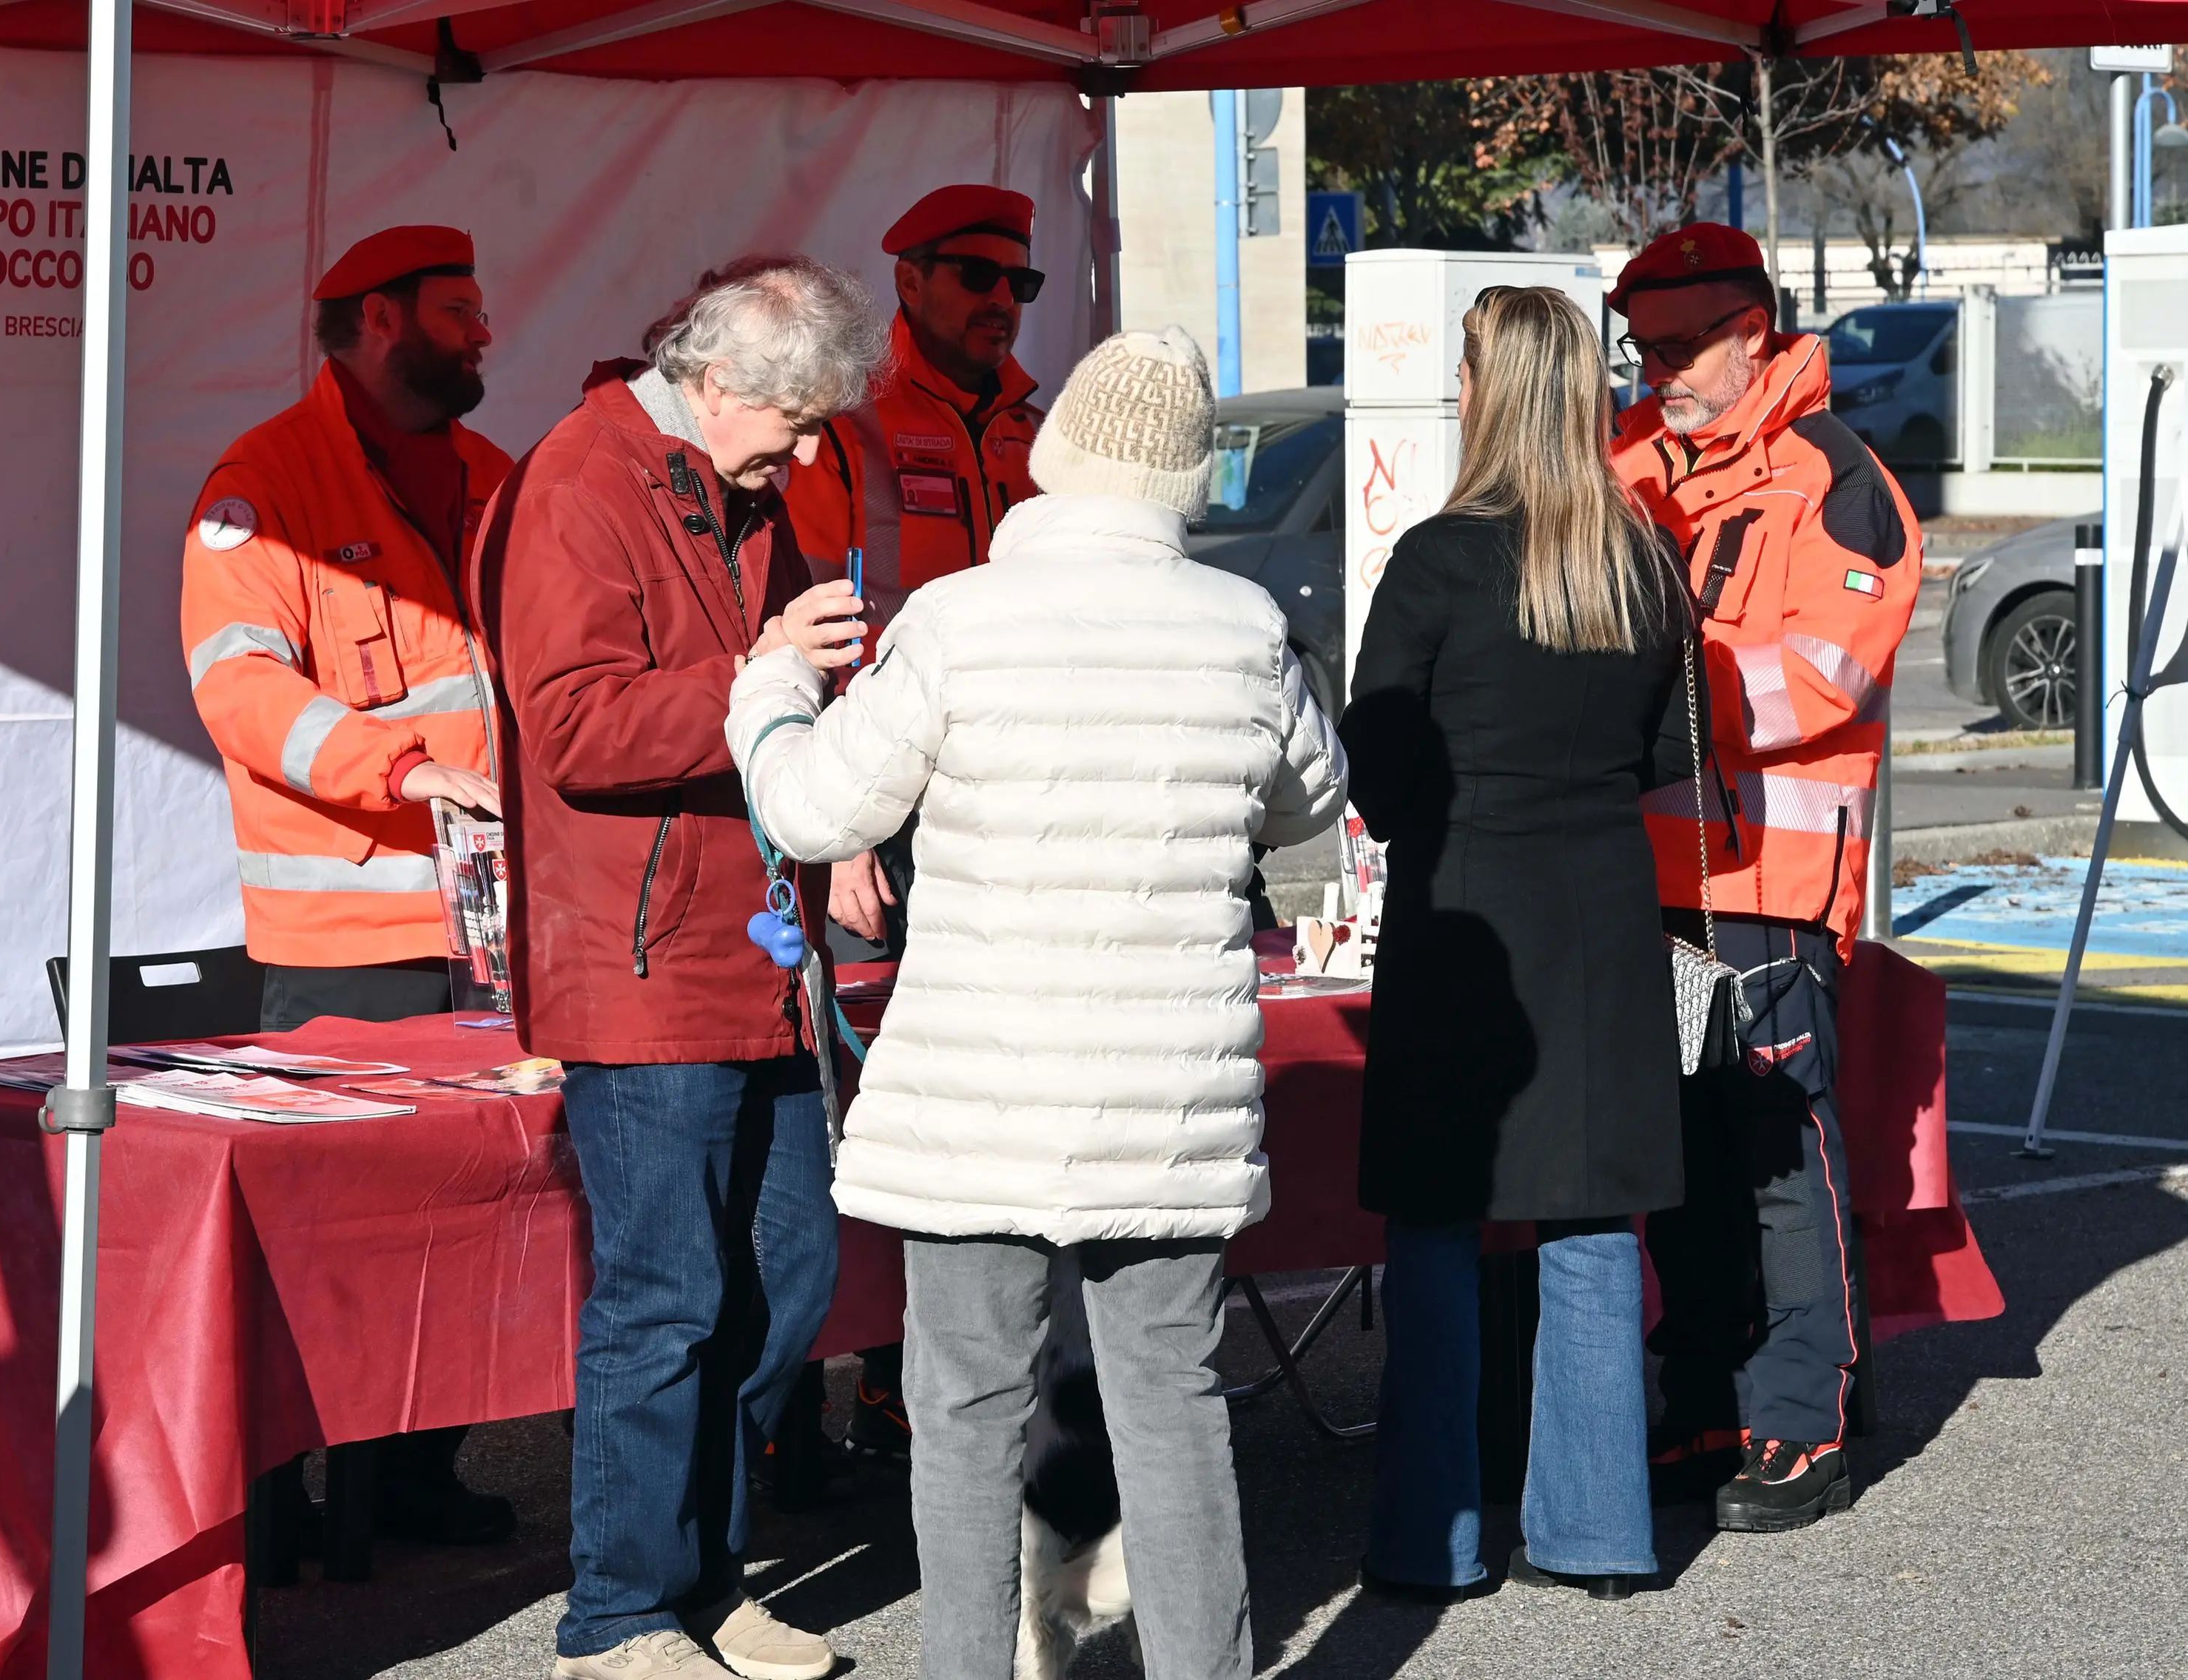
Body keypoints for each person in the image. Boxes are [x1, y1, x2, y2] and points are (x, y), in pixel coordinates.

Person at [728, 325, 1345, 1680]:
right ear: (1180, 483)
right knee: (1171, 1405)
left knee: (963, 1409)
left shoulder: (957, 618)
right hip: (1167, 1093)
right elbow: (1309, 802)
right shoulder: (1247, 628)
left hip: (979, 1092)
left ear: (1055, 466)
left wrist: (770, 687)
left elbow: (815, 804)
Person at [478, 256, 885, 1680]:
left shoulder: (738, 483)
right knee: (667, 1296)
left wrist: (825, 806)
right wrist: (759, 678)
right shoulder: (580, 481)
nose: (811, 450)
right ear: (718, 384)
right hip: (642, 959)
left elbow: (760, 712)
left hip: (756, 949)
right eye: (796, 420)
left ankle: (700, 1583)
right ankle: (619, 1613)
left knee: (786, 1270)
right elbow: (576, 729)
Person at [1344, 286, 1696, 1602]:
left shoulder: (1440, 556)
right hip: (1601, 905)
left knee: (1437, 1228)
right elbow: (1674, 752)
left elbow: (1373, 756)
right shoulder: (1638, 554)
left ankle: (1431, 1539)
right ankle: (1599, 1531)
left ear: (1488, 391)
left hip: (1462, 913)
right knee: (1593, 1223)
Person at [178, 223, 517, 1547]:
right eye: (458, 310)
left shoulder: (491, 473)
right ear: (381, 321)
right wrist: (404, 770)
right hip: (345, 941)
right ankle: (289, 1501)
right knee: (331, 1245)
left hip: (488, 926)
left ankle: (413, 1477)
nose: (485, 332)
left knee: (466, 1228)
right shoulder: (260, 485)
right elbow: (240, 689)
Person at [1609, 223, 1920, 1533]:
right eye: (1644, 348)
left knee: (1779, 1150)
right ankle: (1703, 1395)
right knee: (1674, 1152)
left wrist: (1634, 691)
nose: (1659, 370)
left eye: (1681, 347)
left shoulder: (1835, 478)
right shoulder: (1628, 462)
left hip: (1774, 882)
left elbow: (1822, 678)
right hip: (1645, 875)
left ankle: (1802, 1417)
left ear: (1755, 333)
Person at [778, 181, 1049, 1461]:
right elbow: (812, 633)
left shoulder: (1040, 435)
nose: (1003, 304)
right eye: (978, 279)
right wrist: (833, 835)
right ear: (911, 281)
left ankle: (911, 1382)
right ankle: (791, 1398)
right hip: (879, 824)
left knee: (967, 1108)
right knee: (858, 1112)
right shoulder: (848, 431)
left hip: (1000, 826)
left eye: (1020, 285)